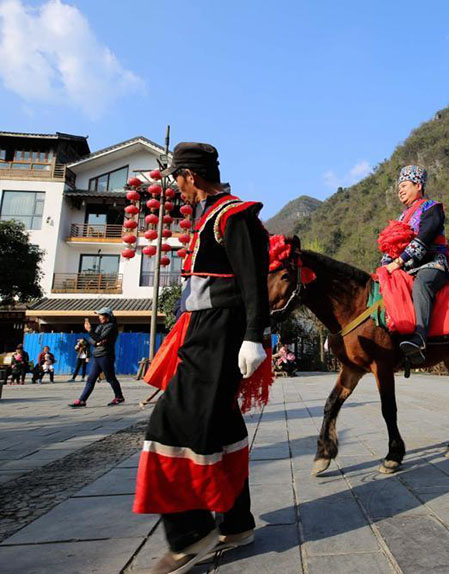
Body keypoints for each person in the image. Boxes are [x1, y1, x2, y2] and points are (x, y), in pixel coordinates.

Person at [132, 142, 270, 574]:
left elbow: (254, 282)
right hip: (200, 333)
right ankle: (237, 522)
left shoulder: (232, 215)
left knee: (170, 423)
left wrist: (253, 337)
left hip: (220, 334)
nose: (177, 188)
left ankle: (191, 532)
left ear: (190, 176)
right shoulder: (206, 216)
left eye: (178, 180)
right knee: (224, 424)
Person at [380, 165, 449, 364]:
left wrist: (398, 262)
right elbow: (392, 246)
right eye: (399, 187)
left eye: (405, 186)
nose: (400, 191)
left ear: (418, 185)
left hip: (433, 263)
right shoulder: (400, 218)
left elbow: (424, 238)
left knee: (421, 283)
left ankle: (420, 337)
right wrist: (384, 266)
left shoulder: (432, 208)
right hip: (406, 265)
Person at [69, 308, 124, 407]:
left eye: (101, 315)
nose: (99, 317)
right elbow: (93, 339)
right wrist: (96, 342)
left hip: (106, 355)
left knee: (110, 378)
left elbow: (98, 337)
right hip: (97, 355)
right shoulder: (100, 326)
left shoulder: (111, 327)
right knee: (91, 379)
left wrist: (91, 332)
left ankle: (119, 397)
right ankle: (82, 400)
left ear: (108, 316)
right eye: (99, 315)